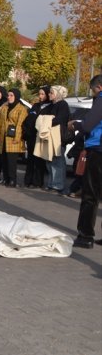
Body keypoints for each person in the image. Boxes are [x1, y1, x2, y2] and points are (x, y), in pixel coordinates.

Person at [69, 74, 102, 248]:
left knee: (90, 194)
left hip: (97, 150)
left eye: (93, 91)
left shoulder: (101, 100)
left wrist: (75, 124)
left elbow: (89, 124)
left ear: (99, 87)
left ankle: (85, 235)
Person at [0, 88, 28, 188]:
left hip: (13, 139)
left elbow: (20, 124)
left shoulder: (22, 109)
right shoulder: (4, 107)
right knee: (4, 160)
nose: (9, 97)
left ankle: (13, 180)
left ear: (16, 96)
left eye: (11, 95)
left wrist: (17, 138)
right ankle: (6, 179)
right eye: (8, 95)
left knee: (11, 161)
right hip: (3, 138)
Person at [22, 86, 51, 188]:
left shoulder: (50, 107)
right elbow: (28, 118)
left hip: (41, 137)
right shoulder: (36, 105)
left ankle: (37, 182)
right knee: (30, 160)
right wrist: (26, 132)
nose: (40, 96)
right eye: (39, 94)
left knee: (39, 161)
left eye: (42, 94)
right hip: (31, 136)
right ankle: (28, 180)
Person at [45, 85, 70, 193]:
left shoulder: (63, 104)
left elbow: (59, 119)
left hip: (58, 137)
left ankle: (58, 185)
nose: (49, 94)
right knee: (50, 161)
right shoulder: (52, 105)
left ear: (58, 94)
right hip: (50, 136)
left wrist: (46, 121)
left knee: (58, 162)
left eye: (52, 93)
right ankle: (51, 183)